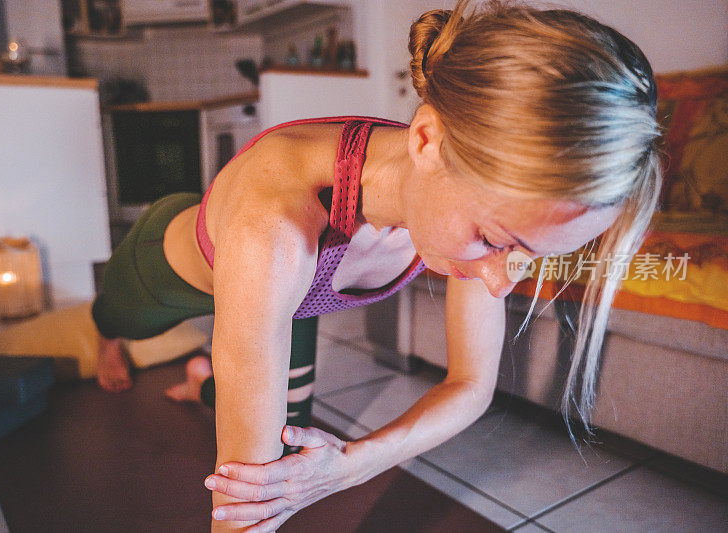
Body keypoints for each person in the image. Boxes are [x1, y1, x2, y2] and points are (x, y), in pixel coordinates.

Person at [92, 0, 662, 530]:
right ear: (425, 140)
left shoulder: (466, 192)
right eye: (492, 240)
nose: (497, 278)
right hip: (168, 268)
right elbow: (240, 509)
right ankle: (108, 338)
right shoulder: (277, 219)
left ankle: (202, 382)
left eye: (525, 257)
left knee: (284, 452)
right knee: (117, 317)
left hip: (290, 301)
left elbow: (470, 384)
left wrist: (351, 464)